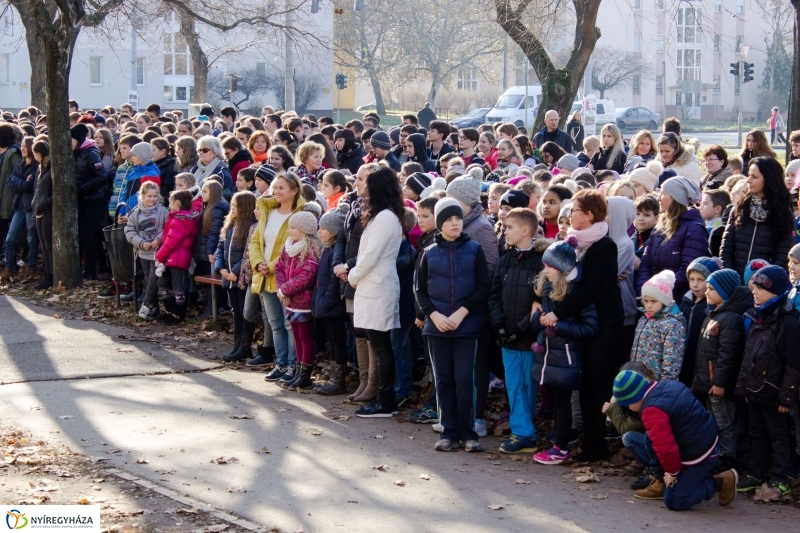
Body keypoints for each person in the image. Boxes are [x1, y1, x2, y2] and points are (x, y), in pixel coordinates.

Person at [538, 189, 625, 461]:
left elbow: (592, 289)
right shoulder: (575, 244)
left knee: (596, 384)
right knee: (583, 384)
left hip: (604, 324)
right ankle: (586, 441)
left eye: (575, 210)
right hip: (582, 321)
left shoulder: (605, 246)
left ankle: (596, 445)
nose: (570, 214)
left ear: (588, 215)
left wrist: (558, 313)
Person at [414, 197, 490, 450]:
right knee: (443, 379)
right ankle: (448, 431)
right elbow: (420, 291)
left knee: (465, 378)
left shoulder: (475, 250)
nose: (455, 223)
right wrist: (434, 316)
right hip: (437, 328)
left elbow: (483, 287)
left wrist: (461, 313)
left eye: (458, 218)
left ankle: (469, 434)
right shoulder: (428, 253)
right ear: (440, 224)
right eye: (448, 219)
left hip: (466, 327)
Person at [611, 370, 738, 510]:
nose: (629, 408)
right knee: (649, 437)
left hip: (699, 454)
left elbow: (665, 447)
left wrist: (673, 472)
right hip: (704, 439)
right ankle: (661, 480)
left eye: (628, 404)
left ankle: (719, 482)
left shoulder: (651, 410)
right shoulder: (668, 385)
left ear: (634, 398)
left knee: (674, 501)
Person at [531, 238, 599, 464]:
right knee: (553, 401)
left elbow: (589, 327)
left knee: (562, 403)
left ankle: (561, 448)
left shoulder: (577, 294)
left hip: (566, 357)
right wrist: (538, 319)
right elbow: (538, 320)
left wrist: (558, 325)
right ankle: (560, 440)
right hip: (547, 355)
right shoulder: (546, 288)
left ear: (562, 269)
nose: (546, 271)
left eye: (550, 267)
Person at [487, 207, 548, 453]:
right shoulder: (505, 260)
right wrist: (500, 326)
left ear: (525, 230)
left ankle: (525, 433)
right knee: (513, 384)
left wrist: (520, 330)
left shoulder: (540, 262)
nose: (505, 231)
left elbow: (538, 303)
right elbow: (494, 296)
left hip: (527, 338)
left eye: (510, 227)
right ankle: (522, 432)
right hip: (506, 337)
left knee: (526, 385)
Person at [735, 265, 800, 494]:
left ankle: (780, 477)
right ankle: (756, 472)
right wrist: (744, 388)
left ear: (775, 292)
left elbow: (793, 364)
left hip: (774, 393)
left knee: (778, 435)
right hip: (755, 389)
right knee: (757, 432)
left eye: (760, 288)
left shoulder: (788, 321)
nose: (754, 292)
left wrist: (786, 397)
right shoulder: (757, 316)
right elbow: (749, 355)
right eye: (754, 287)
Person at [348, 167, 406, 418]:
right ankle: (384, 400)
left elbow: (371, 255)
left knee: (381, 347)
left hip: (377, 285)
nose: (363, 189)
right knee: (379, 345)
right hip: (374, 284)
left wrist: (352, 276)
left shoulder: (385, 217)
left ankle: (385, 401)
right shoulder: (383, 215)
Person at [253, 173, 311, 384]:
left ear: (294, 190)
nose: (276, 191)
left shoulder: (299, 215)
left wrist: (270, 266)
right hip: (264, 276)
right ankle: (281, 363)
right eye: (275, 187)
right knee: (275, 323)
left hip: (286, 278)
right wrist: (258, 263)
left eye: (281, 188)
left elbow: (294, 248)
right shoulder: (268, 211)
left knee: (289, 324)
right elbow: (255, 241)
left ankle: (294, 365)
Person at [693, 268, 751, 470]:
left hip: (718, 386)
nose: (706, 292)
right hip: (707, 383)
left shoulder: (730, 319)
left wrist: (719, 382)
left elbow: (729, 355)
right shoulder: (713, 315)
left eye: (711, 289)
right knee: (714, 422)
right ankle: (716, 456)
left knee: (725, 423)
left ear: (725, 291)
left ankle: (728, 458)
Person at [636, 177, 708, 301]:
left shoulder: (694, 229)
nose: (658, 198)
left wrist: (660, 294)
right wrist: (645, 291)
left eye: (663, 194)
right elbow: (646, 262)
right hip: (651, 300)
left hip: (675, 300)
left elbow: (688, 270)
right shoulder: (661, 225)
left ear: (675, 198)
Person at [720, 157, 794, 276]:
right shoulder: (740, 208)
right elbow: (726, 247)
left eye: (754, 177)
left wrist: (766, 279)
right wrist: (729, 275)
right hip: (735, 279)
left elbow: (783, 254)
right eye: (749, 175)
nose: (748, 180)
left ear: (768, 179)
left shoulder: (783, 213)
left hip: (764, 282)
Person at [275, 211, 323, 391]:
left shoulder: (311, 250)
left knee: (304, 337)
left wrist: (285, 289)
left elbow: (306, 277)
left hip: (304, 301)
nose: (290, 231)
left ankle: (305, 374)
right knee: (296, 336)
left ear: (304, 230)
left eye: (293, 228)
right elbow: (279, 268)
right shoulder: (289, 247)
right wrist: (282, 290)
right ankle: (298, 369)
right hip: (290, 300)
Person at [215, 191, 258, 362]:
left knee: (243, 310)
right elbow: (220, 248)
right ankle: (237, 345)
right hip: (228, 276)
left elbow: (248, 253)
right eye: (232, 205)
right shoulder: (230, 225)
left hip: (241, 277)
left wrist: (236, 271)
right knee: (235, 311)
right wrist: (221, 268)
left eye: (236, 206)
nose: (232, 209)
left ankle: (245, 347)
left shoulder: (250, 227)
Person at [313, 207, 349, 395]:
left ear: (334, 231)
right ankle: (334, 374)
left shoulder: (336, 252)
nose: (319, 232)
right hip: (325, 303)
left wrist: (327, 302)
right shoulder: (327, 250)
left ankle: (338, 379)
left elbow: (334, 282)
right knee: (333, 343)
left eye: (323, 228)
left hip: (332, 305)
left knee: (337, 341)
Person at [125, 182, 169, 321]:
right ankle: (153, 309)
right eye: (149, 196)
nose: (152, 199)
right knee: (148, 279)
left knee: (153, 279)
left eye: (155, 196)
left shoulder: (163, 211)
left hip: (158, 253)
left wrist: (159, 239)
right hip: (143, 252)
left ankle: (146, 305)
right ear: (143, 196)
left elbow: (168, 228)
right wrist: (141, 243)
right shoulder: (135, 213)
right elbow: (130, 231)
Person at [632, 270, 687, 381]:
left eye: (653, 301)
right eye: (646, 301)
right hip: (640, 379)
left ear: (664, 301)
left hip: (657, 383)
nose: (648, 305)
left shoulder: (672, 324)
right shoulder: (644, 319)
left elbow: (672, 360)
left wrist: (665, 384)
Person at [155, 190, 199, 324]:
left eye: (170, 201)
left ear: (177, 203)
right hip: (172, 257)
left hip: (177, 258)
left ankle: (178, 313)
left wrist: (159, 256)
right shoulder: (177, 218)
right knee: (163, 283)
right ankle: (170, 309)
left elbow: (171, 242)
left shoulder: (179, 220)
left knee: (177, 286)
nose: (168, 204)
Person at [72, 123, 109, 280]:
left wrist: (83, 189)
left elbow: (102, 176)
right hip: (83, 201)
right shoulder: (75, 153)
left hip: (94, 200)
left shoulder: (90, 154)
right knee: (82, 235)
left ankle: (91, 271)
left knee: (87, 235)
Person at [679, 257, 721, 387]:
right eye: (691, 279)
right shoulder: (685, 301)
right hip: (681, 357)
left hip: (700, 361)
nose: (695, 285)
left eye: (700, 280)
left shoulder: (710, 307)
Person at [5, 136, 38, 275]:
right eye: (22, 146)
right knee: (10, 238)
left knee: (31, 238)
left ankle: (31, 266)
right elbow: (10, 182)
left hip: (30, 207)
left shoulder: (36, 166)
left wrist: (19, 182)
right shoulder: (19, 164)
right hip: (19, 207)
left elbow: (29, 186)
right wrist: (23, 182)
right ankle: (9, 267)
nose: (22, 148)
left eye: (25, 146)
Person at [31, 140, 52, 289]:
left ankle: (52, 275)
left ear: (39, 153)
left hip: (47, 210)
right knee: (43, 246)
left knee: (49, 246)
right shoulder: (41, 169)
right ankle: (47, 274)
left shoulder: (51, 169)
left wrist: (44, 204)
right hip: (39, 210)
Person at [700, 189, 731, 257]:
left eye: (705, 204)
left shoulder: (718, 229)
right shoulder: (705, 224)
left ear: (717, 209)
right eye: (701, 203)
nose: (700, 207)